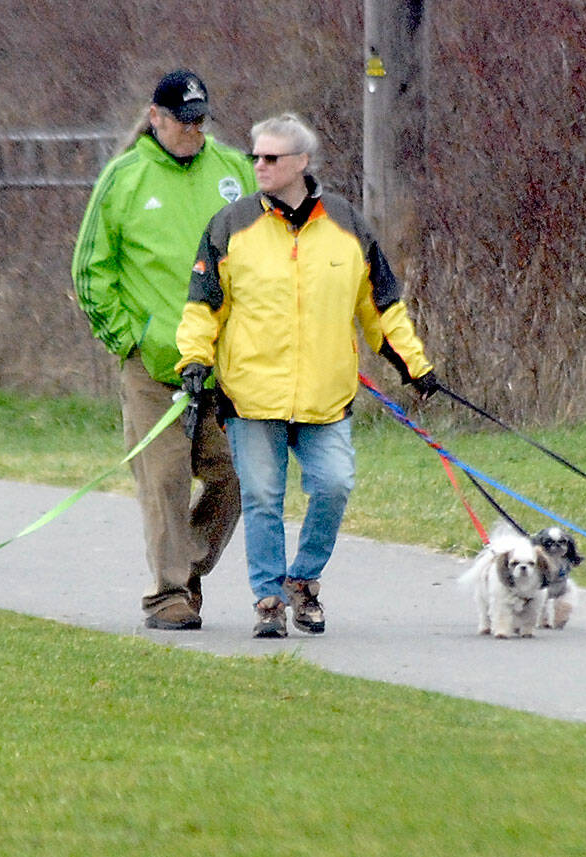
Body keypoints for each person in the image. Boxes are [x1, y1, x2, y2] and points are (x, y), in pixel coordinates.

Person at [175, 112, 439, 638]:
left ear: (302, 163)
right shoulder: (230, 225)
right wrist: (195, 361)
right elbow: (202, 308)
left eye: (272, 158)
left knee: (334, 484)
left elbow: (380, 307)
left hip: (325, 394)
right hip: (251, 395)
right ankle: (269, 600)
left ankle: (304, 582)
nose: (260, 166)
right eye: (255, 157)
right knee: (263, 497)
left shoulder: (347, 225)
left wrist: (415, 365)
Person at [71, 70, 256, 630]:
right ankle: (168, 594)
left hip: (222, 365)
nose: (193, 131)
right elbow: (90, 271)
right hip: (154, 367)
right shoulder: (124, 177)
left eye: (201, 120)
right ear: (156, 118)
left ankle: (187, 564)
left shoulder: (233, 170)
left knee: (237, 472)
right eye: (182, 120)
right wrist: (128, 340)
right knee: (166, 478)